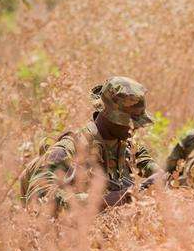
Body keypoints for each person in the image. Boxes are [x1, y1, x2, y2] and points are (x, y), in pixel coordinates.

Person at [21, 76, 162, 212]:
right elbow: (38, 199)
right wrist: (104, 201)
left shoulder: (128, 145)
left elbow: (149, 166)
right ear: (109, 116)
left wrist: (157, 178)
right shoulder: (69, 148)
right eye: (128, 121)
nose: (136, 127)